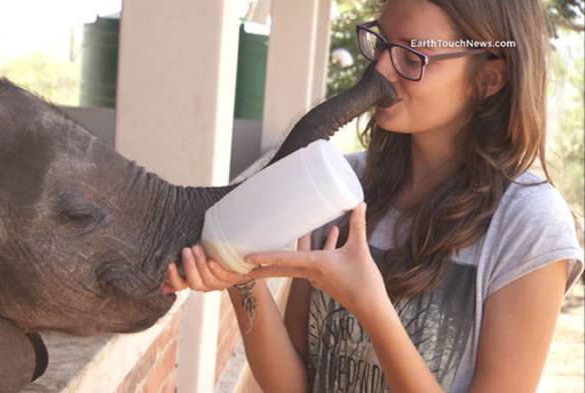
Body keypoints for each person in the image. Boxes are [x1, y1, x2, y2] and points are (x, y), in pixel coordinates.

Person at [162, 0, 584, 391]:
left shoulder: (530, 227)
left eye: (412, 54)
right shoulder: (338, 185)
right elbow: (291, 385)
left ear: (489, 79)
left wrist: (370, 307)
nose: (380, 70)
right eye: (381, 42)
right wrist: (241, 281)